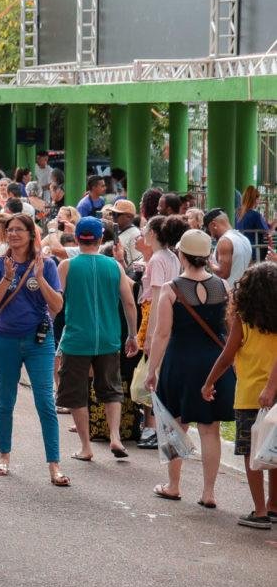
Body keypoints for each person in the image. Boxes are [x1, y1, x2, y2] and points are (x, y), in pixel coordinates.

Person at [146, 229, 233, 508]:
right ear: (208, 256)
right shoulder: (224, 287)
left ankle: (173, 485)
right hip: (213, 364)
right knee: (210, 428)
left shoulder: (172, 289)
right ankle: (209, 493)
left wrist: (151, 369)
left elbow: (161, 334)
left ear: (181, 254)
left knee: (175, 424)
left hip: (179, 361)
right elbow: (230, 330)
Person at [0, 213, 68, 486]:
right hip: (4, 339)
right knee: (5, 400)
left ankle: (54, 465)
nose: (14, 234)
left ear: (32, 234)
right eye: (10, 229)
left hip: (38, 341)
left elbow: (56, 307)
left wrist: (41, 278)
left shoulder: (48, 264)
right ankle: (3, 457)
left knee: (45, 402)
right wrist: (7, 278)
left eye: (20, 229)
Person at [56, 217, 140, 462]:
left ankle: (86, 446)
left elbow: (57, 303)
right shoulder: (115, 266)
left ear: (78, 239)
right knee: (111, 389)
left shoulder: (67, 266)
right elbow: (128, 302)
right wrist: (132, 334)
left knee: (75, 393)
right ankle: (115, 436)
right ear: (101, 239)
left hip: (76, 338)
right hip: (108, 337)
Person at [201, 262, 277, 529]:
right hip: (274, 399)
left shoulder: (243, 319)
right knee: (273, 451)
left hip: (250, 397)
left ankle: (259, 511)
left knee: (251, 453)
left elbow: (227, 355)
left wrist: (209, 382)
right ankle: (273, 504)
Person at [204, 208, 250, 290]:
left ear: (214, 225)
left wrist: (209, 263)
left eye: (209, 230)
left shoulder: (225, 241)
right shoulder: (244, 239)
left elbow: (223, 273)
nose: (211, 235)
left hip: (227, 295)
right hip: (241, 292)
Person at [236, 185, 270, 263]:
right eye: (258, 199)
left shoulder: (237, 213)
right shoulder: (255, 215)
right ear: (254, 200)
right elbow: (267, 232)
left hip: (241, 250)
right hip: (254, 251)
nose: (259, 201)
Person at [111, 199, 142, 267]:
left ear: (129, 216)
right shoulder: (118, 230)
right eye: (112, 213)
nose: (113, 217)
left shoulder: (135, 234)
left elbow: (137, 263)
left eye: (116, 214)